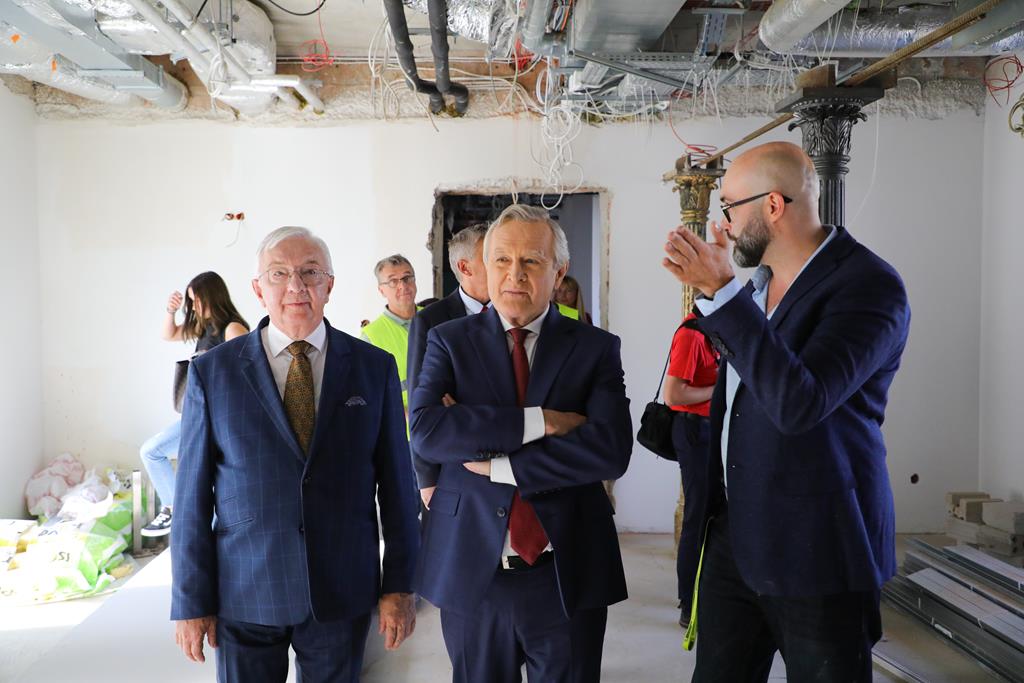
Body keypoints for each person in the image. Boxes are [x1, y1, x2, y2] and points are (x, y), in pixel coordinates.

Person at [662, 141, 911, 683]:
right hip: (736, 536)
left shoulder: (868, 287)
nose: (723, 226)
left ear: (773, 205)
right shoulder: (758, 288)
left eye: (729, 207)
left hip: (819, 545)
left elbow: (801, 403)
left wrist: (721, 292)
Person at [171, 227, 420, 683]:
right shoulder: (213, 372)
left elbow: (398, 487)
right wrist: (190, 600)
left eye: (310, 272)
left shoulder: (373, 367)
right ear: (257, 289)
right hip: (246, 589)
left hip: (342, 587)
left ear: (330, 284)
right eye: (279, 274)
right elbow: (191, 497)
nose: (296, 286)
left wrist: (400, 584)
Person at [410, 204, 633, 683]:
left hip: (565, 568)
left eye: (532, 260)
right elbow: (427, 431)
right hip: (474, 569)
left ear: (559, 272)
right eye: (502, 260)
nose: (515, 274)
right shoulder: (448, 340)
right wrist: (543, 422)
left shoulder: (595, 347)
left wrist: (498, 462)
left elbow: (610, 450)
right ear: (484, 267)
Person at [139, 272, 248, 537]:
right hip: (199, 414)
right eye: (191, 300)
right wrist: (170, 310)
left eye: (196, 299)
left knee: (155, 452)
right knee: (154, 452)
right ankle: (176, 511)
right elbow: (168, 334)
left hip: (219, 417)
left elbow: (247, 374)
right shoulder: (204, 328)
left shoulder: (232, 328)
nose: (193, 306)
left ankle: (176, 511)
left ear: (211, 295)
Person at [407, 223, 490, 507]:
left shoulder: (514, 313)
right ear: (465, 267)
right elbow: (421, 404)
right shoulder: (431, 320)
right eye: (492, 257)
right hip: (453, 463)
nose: (504, 266)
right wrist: (427, 479)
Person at [663, 312, 719, 628]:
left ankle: (706, 595)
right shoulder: (692, 335)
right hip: (695, 431)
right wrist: (718, 387)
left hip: (710, 430)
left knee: (712, 515)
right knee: (698, 517)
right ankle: (688, 601)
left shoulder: (713, 332)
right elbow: (674, 395)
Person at [362, 255, 418, 410]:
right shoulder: (370, 337)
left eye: (407, 278)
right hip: (405, 423)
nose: (403, 286)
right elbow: (368, 395)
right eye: (393, 281)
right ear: (381, 290)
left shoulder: (436, 317)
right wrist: (403, 414)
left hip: (446, 418)